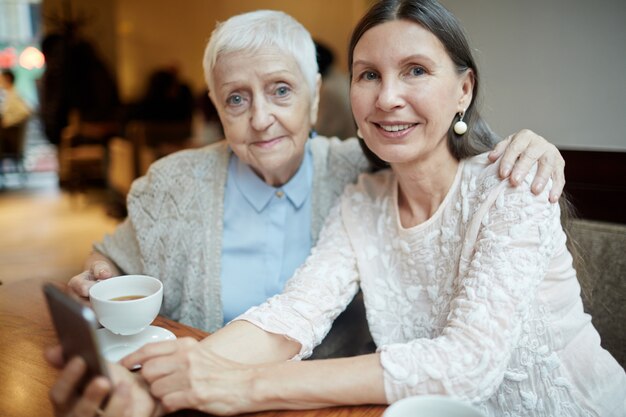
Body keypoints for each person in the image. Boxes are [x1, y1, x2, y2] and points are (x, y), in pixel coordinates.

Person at [46, 7, 575, 417]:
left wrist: (243, 386)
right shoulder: (363, 199)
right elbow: (289, 316)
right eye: (369, 75)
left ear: (464, 88)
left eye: (415, 70)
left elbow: (469, 364)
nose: (388, 97)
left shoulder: (515, 185)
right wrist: (150, 386)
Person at [0, 69, 31, 133]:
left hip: (12, 131)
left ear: (7, 79)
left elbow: (24, 112)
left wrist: (7, 121)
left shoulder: (14, 95)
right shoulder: (7, 93)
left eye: (1, 79)